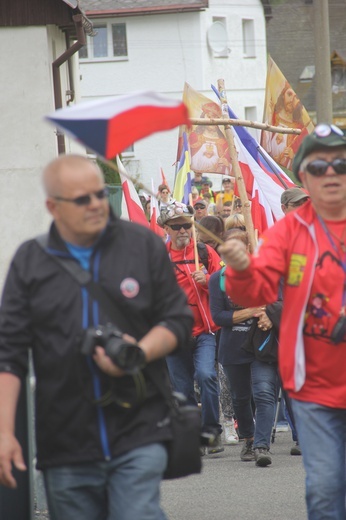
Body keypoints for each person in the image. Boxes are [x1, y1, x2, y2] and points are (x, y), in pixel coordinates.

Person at [0, 155, 193, 520]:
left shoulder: (143, 245)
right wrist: (4, 432)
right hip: (66, 440)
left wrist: (138, 351)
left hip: (139, 427)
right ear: (52, 206)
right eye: (81, 199)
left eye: (99, 195)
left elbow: (178, 320)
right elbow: (8, 354)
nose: (95, 204)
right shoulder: (30, 261)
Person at [219, 124, 346, 518]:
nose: (330, 173)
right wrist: (240, 270)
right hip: (313, 386)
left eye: (339, 164)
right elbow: (253, 293)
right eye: (318, 165)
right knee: (326, 488)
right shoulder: (290, 232)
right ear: (304, 177)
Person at [210, 229, 281, 467]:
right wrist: (253, 310)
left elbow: (284, 301)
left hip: (263, 346)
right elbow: (219, 317)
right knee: (241, 398)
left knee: (264, 393)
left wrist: (269, 314)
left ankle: (262, 446)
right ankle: (248, 440)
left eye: (240, 247)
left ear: (249, 249)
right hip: (232, 348)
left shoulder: (267, 272)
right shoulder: (217, 278)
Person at [157, 201, 224, 454]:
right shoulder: (159, 257)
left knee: (207, 377)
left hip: (204, 332)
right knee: (182, 389)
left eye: (187, 224)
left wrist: (207, 280)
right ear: (166, 228)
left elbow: (228, 287)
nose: (184, 230)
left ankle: (211, 432)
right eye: (177, 226)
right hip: (174, 335)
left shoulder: (205, 252)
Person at [197, 216, 238, 445]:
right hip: (197, 327)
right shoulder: (193, 251)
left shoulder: (218, 253)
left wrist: (206, 280)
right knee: (203, 378)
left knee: (223, 377)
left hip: (218, 324)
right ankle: (207, 423)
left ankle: (229, 422)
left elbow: (223, 283)